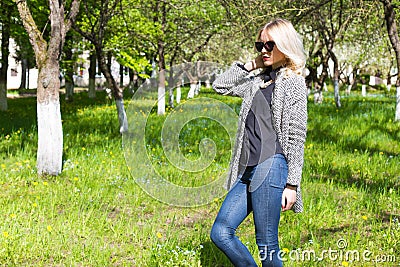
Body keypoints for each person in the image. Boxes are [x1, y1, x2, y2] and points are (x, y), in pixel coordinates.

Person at [210, 18, 308, 267]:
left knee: (266, 242)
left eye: (270, 45)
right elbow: (220, 86)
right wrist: (250, 65)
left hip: (272, 166)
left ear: (284, 45)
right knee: (221, 232)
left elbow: (297, 137)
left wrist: (292, 185)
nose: (264, 50)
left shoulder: (293, 84)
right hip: (249, 170)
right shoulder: (257, 82)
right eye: (260, 45)